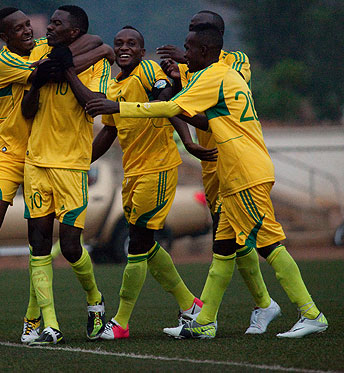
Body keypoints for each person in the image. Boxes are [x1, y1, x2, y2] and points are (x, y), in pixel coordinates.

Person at [85, 23, 328, 339]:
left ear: (204, 51)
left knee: (268, 244)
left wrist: (118, 107)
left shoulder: (212, 75)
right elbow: (196, 115)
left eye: (188, 48)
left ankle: (311, 313)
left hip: (244, 172)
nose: (184, 54)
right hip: (232, 172)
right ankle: (204, 320)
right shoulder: (222, 77)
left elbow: (172, 106)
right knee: (224, 248)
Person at [0, 7, 114, 344]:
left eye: (27, 25)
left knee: (46, 240)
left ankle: (34, 320)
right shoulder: (4, 62)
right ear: (4, 37)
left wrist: (101, 49)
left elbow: (86, 39)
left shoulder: (41, 46)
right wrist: (95, 52)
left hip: (42, 156)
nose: (28, 31)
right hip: (10, 156)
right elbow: (49, 71)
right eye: (18, 28)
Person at [90, 26, 217, 340]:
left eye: (131, 43)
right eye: (119, 43)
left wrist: (186, 141)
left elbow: (166, 98)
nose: (124, 48)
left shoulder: (149, 70)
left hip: (158, 170)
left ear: (141, 50)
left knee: (137, 243)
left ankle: (120, 322)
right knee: (145, 245)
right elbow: (108, 131)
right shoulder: (115, 84)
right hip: (132, 173)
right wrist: (80, 163)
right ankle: (191, 305)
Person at [158, 10, 280, 335]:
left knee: (241, 238)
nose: (188, 41)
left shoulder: (235, 62)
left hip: (235, 159)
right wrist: (178, 74)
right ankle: (249, 308)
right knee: (226, 238)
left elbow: (211, 99)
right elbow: (186, 101)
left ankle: (262, 306)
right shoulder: (193, 67)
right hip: (211, 162)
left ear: (210, 38)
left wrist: (184, 71)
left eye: (195, 33)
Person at [20, 5, 111, 345]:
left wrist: (68, 70)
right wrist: (37, 82)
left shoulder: (96, 62)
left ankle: (94, 300)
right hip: (37, 162)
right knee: (39, 242)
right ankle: (50, 324)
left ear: (75, 32)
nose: (50, 27)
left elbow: (94, 103)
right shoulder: (42, 51)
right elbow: (29, 111)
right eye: (52, 21)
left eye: (58, 23)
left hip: (72, 164)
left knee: (71, 246)